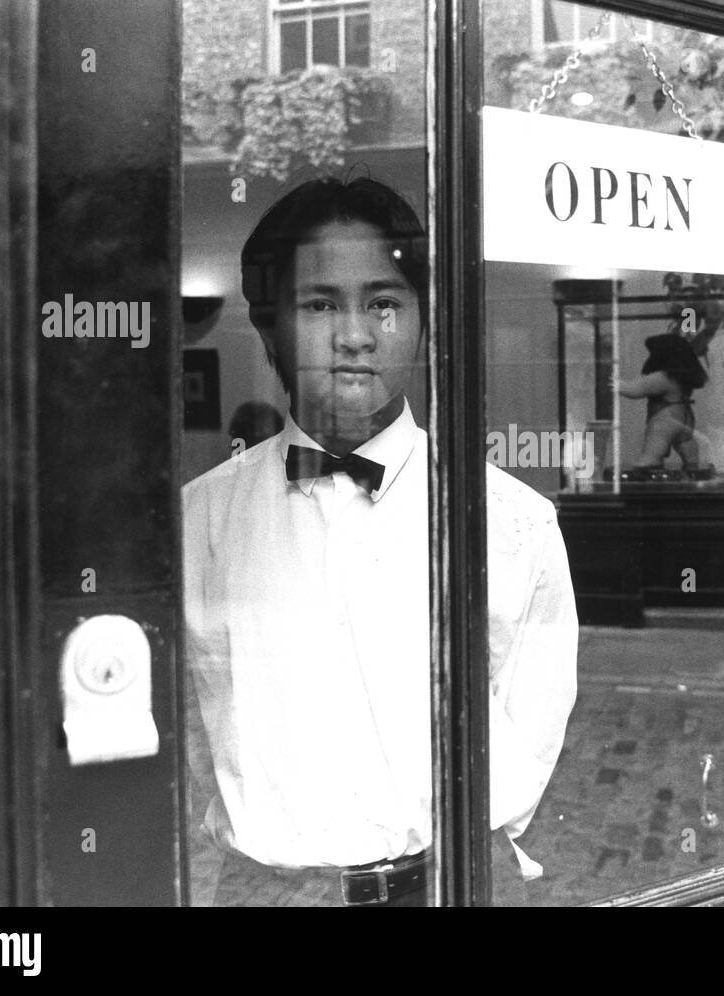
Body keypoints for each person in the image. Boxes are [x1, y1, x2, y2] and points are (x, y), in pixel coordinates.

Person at [183, 176, 578, 906]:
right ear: (269, 327)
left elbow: (533, 723)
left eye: (384, 303)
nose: (356, 334)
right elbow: (195, 736)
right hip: (266, 895)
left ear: (425, 324)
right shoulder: (197, 524)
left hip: (455, 882)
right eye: (321, 303)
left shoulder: (511, 521)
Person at [617, 329, 710, 477]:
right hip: (685, 418)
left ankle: (649, 463)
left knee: (652, 452)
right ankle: (692, 464)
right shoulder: (682, 378)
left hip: (664, 421)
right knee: (688, 447)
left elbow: (635, 390)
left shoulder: (662, 377)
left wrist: (617, 385)